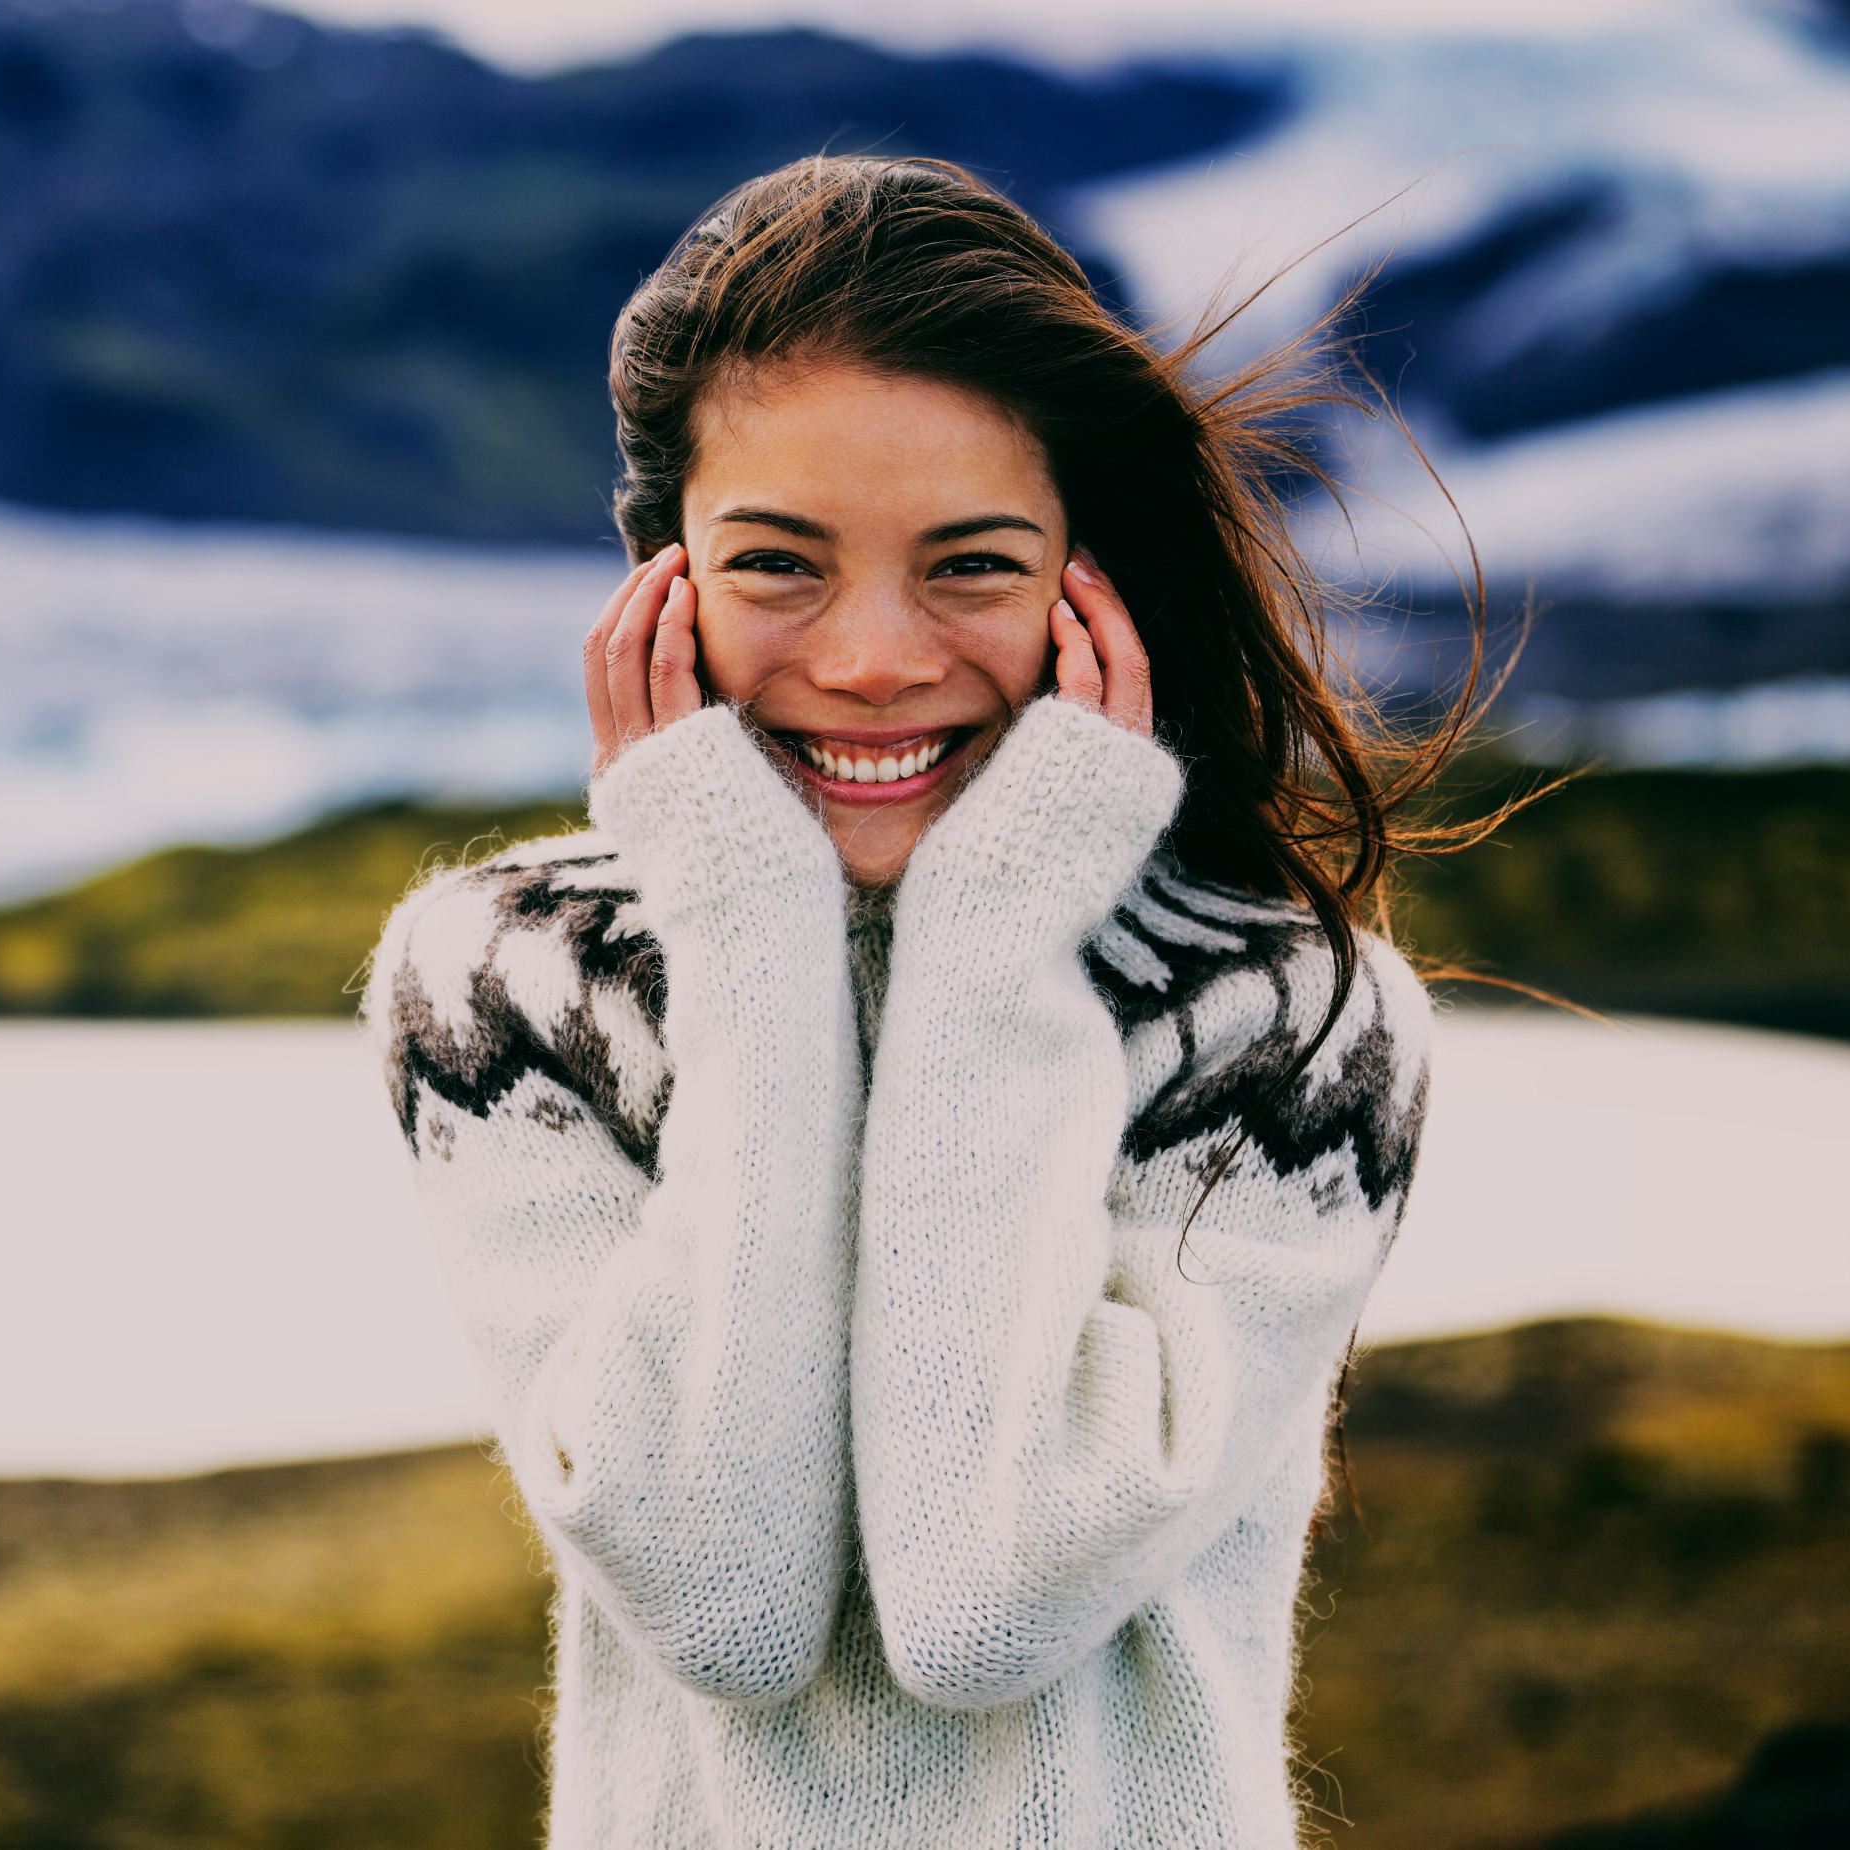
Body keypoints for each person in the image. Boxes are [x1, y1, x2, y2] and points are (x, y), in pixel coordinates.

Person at [359, 154, 1494, 1847]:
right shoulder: (509, 981)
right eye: (779, 565)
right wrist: (746, 931)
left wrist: (996, 941)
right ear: (663, 580)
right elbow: (722, 1596)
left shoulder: (1291, 1020)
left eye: (968, 563)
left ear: (1081, 582)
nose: (875, 655)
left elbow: (986, 1607)